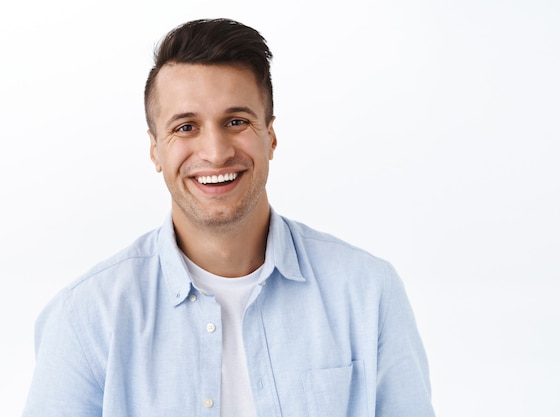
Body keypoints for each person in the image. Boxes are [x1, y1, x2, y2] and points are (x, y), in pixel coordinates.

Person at [22, 18, 436, 417]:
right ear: (154, 150)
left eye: (236, 121)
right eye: (186, 127)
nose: (216, 152)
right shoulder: (84, 317)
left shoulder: (367, 293)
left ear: (270, 136)